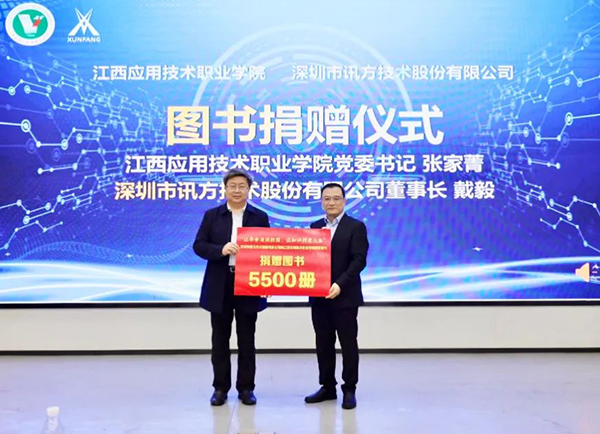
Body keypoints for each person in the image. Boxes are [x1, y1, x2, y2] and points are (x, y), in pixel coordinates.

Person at [193, 169, 270, 406]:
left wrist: (267, 280)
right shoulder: (212, 215)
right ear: (225, 188)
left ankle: (246, 388)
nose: (237, 190)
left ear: (249, 190)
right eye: (232, 186)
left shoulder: (259, 217)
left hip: (249, 282)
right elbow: (199, 245)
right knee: (220, 339)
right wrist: (221, 250)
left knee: (247, 339)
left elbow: (269, 251)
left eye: (242, 186)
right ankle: (220, 388)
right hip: (220, 283)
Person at [305, 183, 369, 410]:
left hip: (345, 296)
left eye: (336, 198)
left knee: (348, 343)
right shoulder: (314, 227)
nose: (331, 203)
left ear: (344, 201)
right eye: (327, 199)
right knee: (323, 343)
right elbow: (307, 259)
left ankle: (349, 389)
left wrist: (340, 284)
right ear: (321, 202)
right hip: (319, 296)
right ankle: (327, 387)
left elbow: (359, 260)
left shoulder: (356, 226)